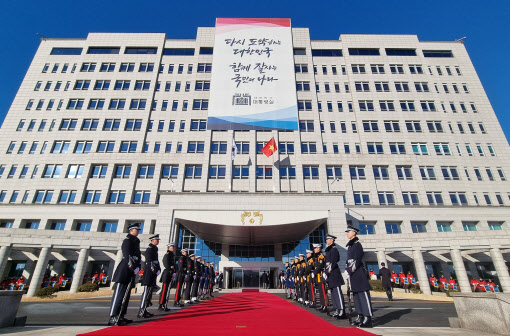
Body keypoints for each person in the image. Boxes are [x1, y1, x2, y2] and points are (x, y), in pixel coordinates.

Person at [108, 223, 141, 326]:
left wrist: (137, 267)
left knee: (125, 295)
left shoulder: (136, 241)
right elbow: (127, 255)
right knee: (119, 294)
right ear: (131, 230)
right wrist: (132, 266)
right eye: (136, 229)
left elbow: (138, 255)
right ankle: (113, 316)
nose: (138, 231)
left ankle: (121, 315)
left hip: (131, 270)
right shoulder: (127, 240)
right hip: (124, 270)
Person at [344, 225, 373, 328]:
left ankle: (367, 318)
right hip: (353, 275)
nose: (347, 233)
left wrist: (349, 270)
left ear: (354, 233)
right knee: (356, 296)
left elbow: (357, 260)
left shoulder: (357, 245)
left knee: (363, 295)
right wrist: (347, 269)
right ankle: (360, 316)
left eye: (348, 232)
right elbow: (349, 261)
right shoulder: (350, 246)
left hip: (359, 273)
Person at [138, 234, 161, 318]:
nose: (157, 241)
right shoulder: (150, 249)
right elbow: (149, 261)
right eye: (156, 240)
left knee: (149, 292)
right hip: (149, 272)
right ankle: (141, 310)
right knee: (146, 291)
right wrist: (154, 269)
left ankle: (145, 309)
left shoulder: (155, 249)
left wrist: (158, 269)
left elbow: (156, 261)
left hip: (153, 273)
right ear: (152, 240)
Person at [324, 234, 346, 319]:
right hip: (330, 275)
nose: (327, 241)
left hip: (334, 274)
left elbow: (333, 262)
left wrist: (327, 271)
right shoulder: (329, 250)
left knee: (337, 293)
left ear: (332, 240)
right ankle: (337, 309)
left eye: (328, 239)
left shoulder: (334, 249)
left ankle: (342, 310)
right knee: (333, 293)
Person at [159, 243, 175, 311]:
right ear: (169, 247)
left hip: (170, 273)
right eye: (171, 247)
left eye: (173, 247)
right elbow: (165, 263)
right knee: (164, 290)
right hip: (167, 273)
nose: (173, 248)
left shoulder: (171, 255)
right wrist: (170, 270)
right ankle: (161, 304)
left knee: (167, 290)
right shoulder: (167, 255)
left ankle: (164, 304)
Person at [313, 244, 328, 313]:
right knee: (320, 292)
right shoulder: (317, 257)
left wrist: (315, 272)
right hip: (318, 276)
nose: (314, 250)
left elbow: (320, 265)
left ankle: (325, 305)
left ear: (319, 248)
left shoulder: (321, 256)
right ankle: (322, 305)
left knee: (323, 291)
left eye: (315, 248)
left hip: (321, 275)